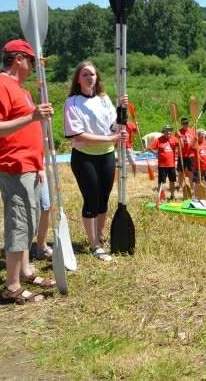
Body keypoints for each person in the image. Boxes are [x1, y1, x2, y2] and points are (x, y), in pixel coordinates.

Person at [0, 40, 57, 303]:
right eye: (32, 61)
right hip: (13, 167)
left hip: (28, 166)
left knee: (29, 222)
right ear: (18, 59)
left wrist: (37, 165)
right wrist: (32, 117)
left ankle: (25, 272)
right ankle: (12, 287)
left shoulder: (20, 90)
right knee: (19, 224)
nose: (34, 66)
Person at [64, 61, 128, 263]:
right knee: (91, 198)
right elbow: (78, 135)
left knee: (103, 198)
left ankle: (100, 235)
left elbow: (114, 126)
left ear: (97, 77)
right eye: (84, 74)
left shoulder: (104, 99)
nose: (89, 78)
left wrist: (121, 108)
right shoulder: (72, 102)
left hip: (106, 155)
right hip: (85, 157)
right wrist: (111, 138)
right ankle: (94, 245)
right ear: (78, 79)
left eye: (92, 74)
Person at [147, 125, 180, 201]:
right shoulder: (159, 140)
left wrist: (180, 137)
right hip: (162, 165)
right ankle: (160, 196)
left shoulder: (174, 139)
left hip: (171, 164)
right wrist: (155, 152)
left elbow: (181, 146)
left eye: (169, 131)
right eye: (166, 131)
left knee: (172, 181)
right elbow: (149, 147)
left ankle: (172, 196)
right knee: (161, 182)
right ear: (164, 132)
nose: (168, 132)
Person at [33, 164, 52, 260]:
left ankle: (42, 247)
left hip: (38, 166)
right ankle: (21, 255)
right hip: (23, 169)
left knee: (45, 206)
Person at [176, 117, 195, 193]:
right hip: (182, 155)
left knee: (191, 172)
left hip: (191, 155)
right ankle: (180, 187)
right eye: (184, 123)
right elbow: (179, 144)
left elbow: (195, 143)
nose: (186, 124)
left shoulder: (193, 131)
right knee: (181, 172)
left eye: (187, 123)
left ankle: (192, 187)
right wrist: (179, 136)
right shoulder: (178, 132)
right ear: (181, 124)